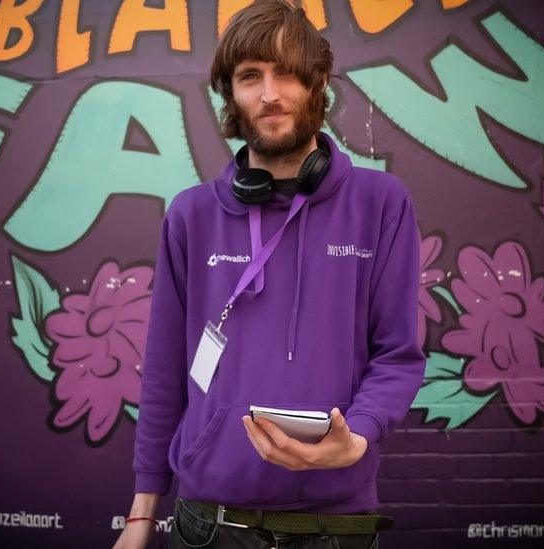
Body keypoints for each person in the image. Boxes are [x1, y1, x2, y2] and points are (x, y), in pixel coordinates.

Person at [114, 1, 426, 547]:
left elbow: (397, 353)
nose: (270, 94)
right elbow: (165, 368)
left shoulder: (381, 203)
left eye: (286, 73)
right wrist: (142, 514)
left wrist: (356, 439)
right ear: (231, 94)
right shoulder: (191, 215)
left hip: (336, 524)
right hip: (210, 525)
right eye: (250, 76)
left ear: (318, 82)